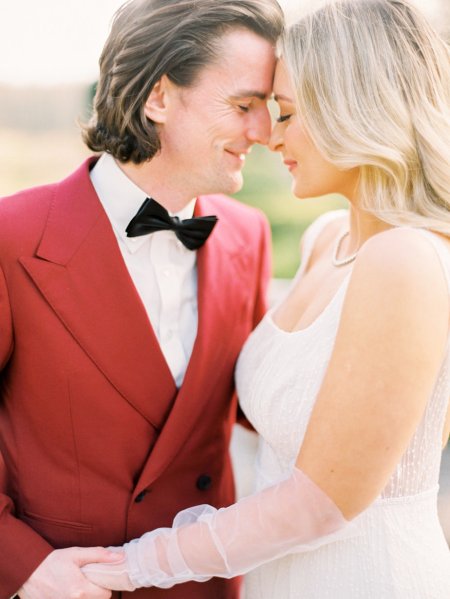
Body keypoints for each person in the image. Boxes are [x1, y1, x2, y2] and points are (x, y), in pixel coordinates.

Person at [81, 0, 450, 597]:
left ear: (354, 109)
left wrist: (130, 566)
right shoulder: (326, 241)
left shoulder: (405, 259)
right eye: (260, 110)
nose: (268, 136)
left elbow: (319, 504)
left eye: (286, 112)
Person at [0, 0, 284, 598]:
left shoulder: (248, 234)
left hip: (203, 586)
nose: (263, 131)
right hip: (66, 584)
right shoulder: (13, 237)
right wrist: (21, 563)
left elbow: (265, 404)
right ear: (158, 97)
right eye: (244, 105)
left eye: (271, 108)